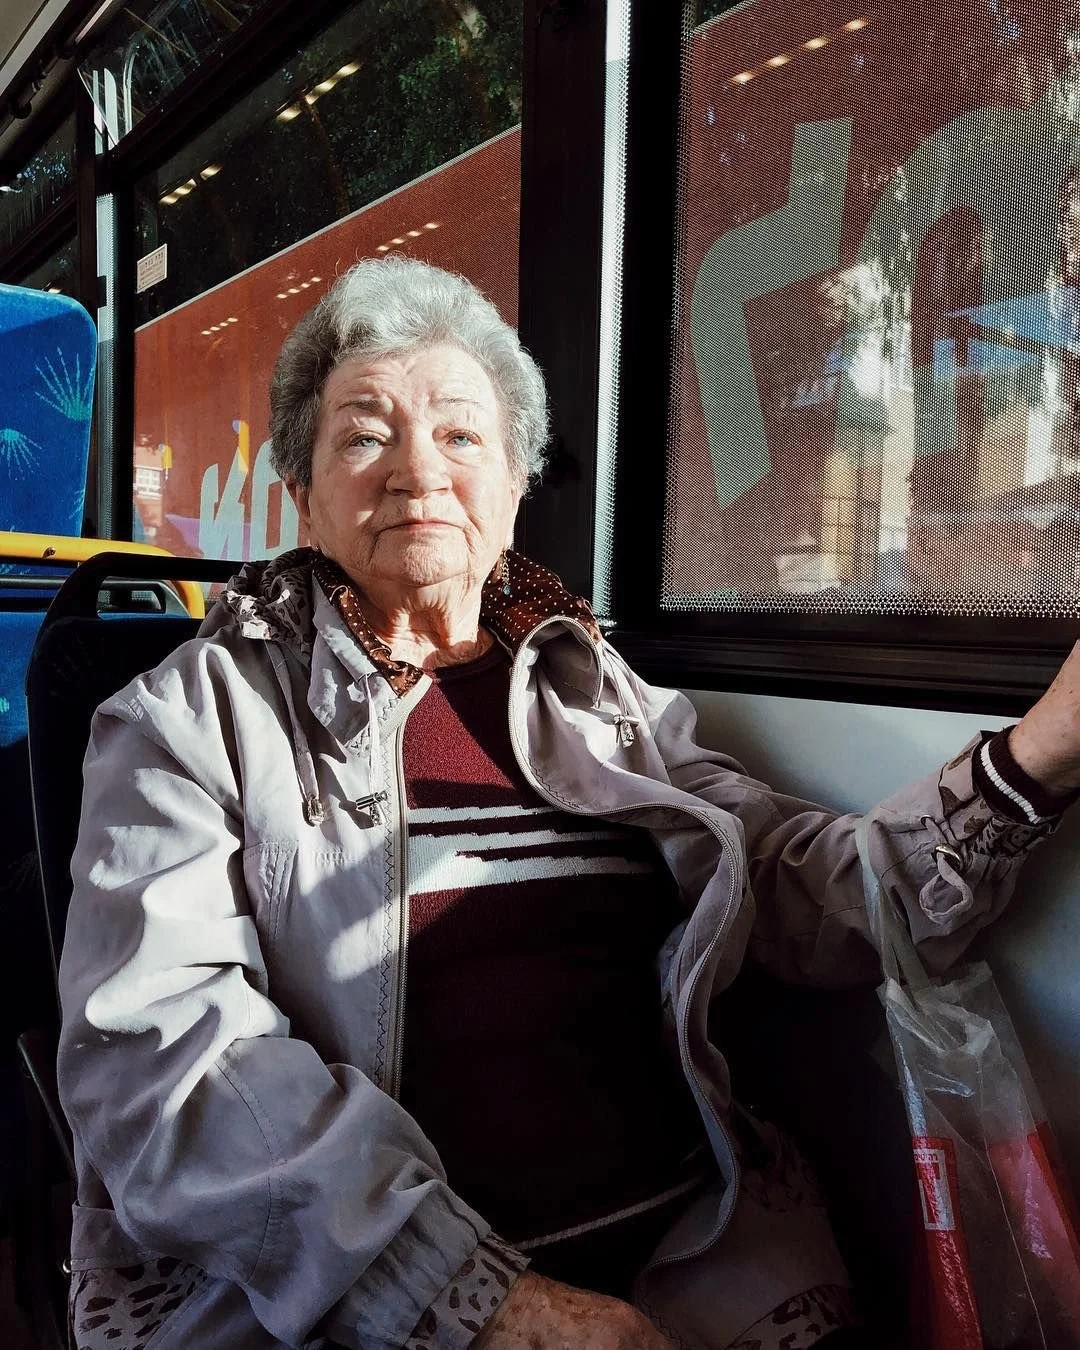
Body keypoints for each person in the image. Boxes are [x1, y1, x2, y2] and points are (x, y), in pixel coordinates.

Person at [57, 257, 1080, 1350]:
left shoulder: (595, 695)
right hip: (346, 1304)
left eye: (461, 437)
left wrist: (1040, 754)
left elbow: (798, 895)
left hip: (695, 1261)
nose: (418, 473)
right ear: (301, 493)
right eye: (363, 435)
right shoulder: (185, 719)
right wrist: (485, 1305)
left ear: (511, 489)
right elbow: (170, 1069)